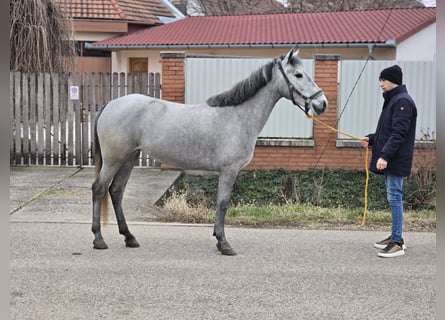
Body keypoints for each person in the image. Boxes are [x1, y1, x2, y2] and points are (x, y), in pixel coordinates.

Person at [360, 64, 417, 258]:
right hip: (392, 157)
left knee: (394, 197)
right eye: (380, 80)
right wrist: (371, 139)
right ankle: (395, 235)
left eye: (383, 80)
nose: (380, 84)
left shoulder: (402, 102)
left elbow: (399, 133)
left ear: (394, 80)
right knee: (392, 196)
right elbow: (386, 132)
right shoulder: (394, 100)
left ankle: (397, 242)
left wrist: (384, 156)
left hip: (395, 159)